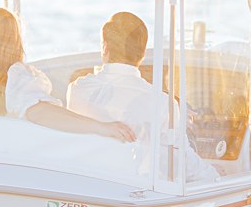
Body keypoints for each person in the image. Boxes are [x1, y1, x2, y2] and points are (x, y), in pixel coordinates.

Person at [0, 7, 134, 142]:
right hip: (3, 165)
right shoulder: (16, 76)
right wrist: (101, 127)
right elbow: (40, 113)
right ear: (14, 40)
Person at [67, 12, 217, 180]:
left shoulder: (78, 89)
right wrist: (217, 176)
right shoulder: (162, 105)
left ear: (105, 47)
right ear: (143, 54)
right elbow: (183, 165)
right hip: (137, 188)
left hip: (87, 181)